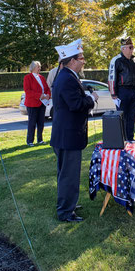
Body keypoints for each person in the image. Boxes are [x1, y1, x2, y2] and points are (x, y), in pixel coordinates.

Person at [51, 39, 98, 222]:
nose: (83, 60)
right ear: (71, 61)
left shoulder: (66, 76)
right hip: (68, 137)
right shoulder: (67, 78)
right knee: (69, 176)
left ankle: (68, 203)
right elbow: (76, 104)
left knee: (66, 174)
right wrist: (92, 98)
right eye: (81, 57)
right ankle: (65, 212)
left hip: (65, 135)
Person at [108, 37, 135, 141]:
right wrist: (113, 93)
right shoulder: (116, 60)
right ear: (123, 48)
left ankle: (130, 139)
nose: (132, 49)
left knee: (131, 117)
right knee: (122, 117)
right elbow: (111, 77)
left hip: (133, 92)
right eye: (130, 47)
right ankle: (122, 140)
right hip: (122, 92)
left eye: (132, 47)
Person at [23, 61, 51, 146]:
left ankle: (40, 139)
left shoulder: (42, 77)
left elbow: (46, 88)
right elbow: (28, 91)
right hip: (32, 104)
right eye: (38, 67)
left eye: (39, 67)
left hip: (42, 103)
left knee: (41, 122)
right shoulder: (28, 77)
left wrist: (48, 95)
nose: (40, 68)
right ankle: (30, 141)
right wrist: (40, 96)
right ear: (33, 68)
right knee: (32, 123)